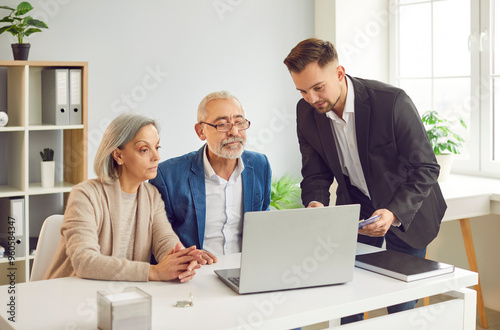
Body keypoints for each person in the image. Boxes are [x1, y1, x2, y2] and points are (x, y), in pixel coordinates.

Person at [283, 38, 447, 323]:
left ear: (339, 73)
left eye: (318, 88)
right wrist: (315, 203)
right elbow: (315, 172)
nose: (311, 99)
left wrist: (393, 212)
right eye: (302, 91)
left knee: (400, 310)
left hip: (407, 213)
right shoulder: (306, 112)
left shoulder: (391, 101)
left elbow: (425, 167)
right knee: (349, 301)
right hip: (356, 210)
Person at [45, 112, 206, 282]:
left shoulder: (152, 196)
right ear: (118, 155)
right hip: (71, 296)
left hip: (122, 296)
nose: (156, 157)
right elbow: (84, 261)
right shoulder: (85, 194)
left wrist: (183, 258)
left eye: (157, 147)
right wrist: (152, 272)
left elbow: (165, 241)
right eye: (144, 149)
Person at [150, 91, 272, 259]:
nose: (234, 132)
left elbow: (265, 220)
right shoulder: (168, 176)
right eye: (222, 124)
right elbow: (159, 238)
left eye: (239, 122)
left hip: (247, 269)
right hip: (194, 273)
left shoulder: (260, 165)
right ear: (201, 131)